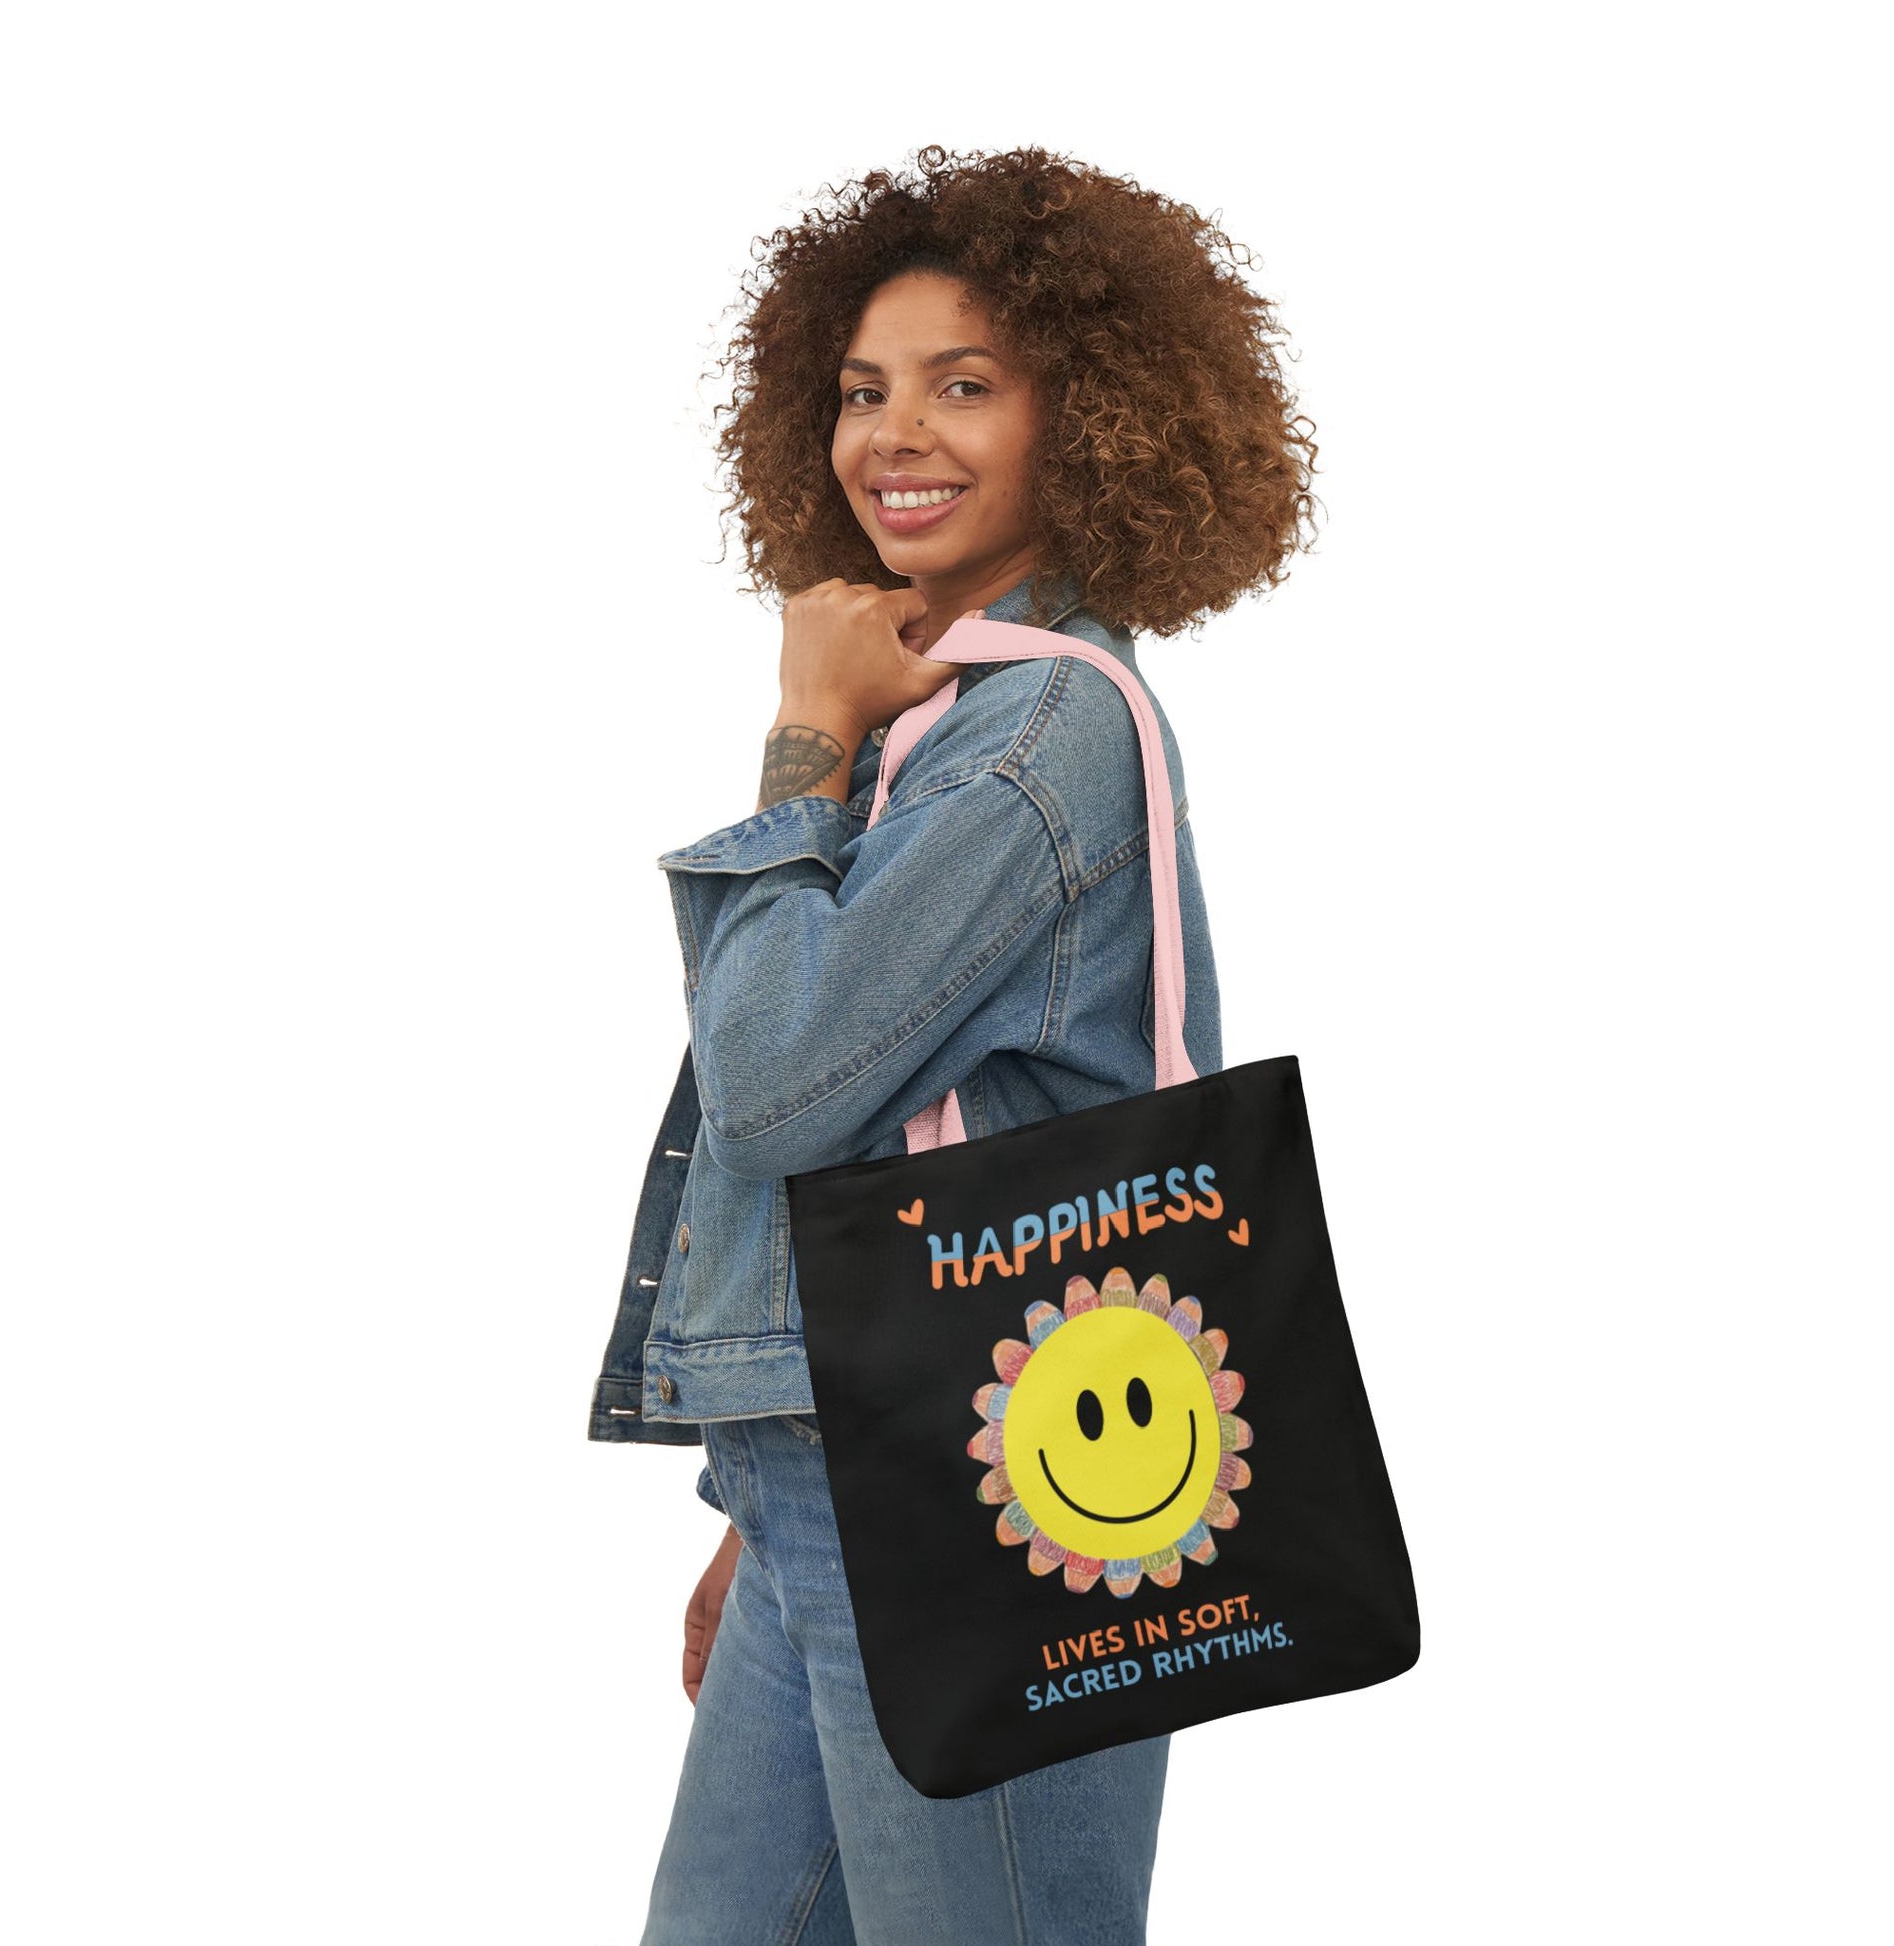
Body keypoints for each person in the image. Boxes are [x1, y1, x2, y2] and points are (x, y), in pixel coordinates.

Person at [586, 144, 1319, 1944]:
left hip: (997, 1488)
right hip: (842, 1468)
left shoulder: (1035, 737)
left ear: (1093, 418)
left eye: (963, 384)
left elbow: (782, 1086)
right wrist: (763, 1492)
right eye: (858, 391)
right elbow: (874, 1155)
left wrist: (801, 741)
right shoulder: (961, 716)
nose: (889, 434)